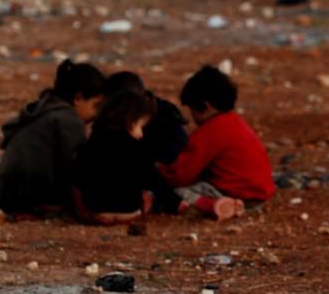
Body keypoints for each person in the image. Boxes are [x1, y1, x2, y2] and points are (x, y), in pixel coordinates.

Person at [158, 65, 274, 220]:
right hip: (258, 197)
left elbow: (179, 176)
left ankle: (212, 205)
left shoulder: (209, 131)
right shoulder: (236, 122)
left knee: (175, 194)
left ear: (205, 106)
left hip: (234, 193)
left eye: (192, 109)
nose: (192, 116)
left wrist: (158, 172)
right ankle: (229, 205)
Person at [0, 60, 104, 215]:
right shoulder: (68, 120)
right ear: (78, 98)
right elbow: (74, 171)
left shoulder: (47, 109)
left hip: (5, 196)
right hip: (20, 202)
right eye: (96, 105)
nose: (97, 114)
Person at [72, 90, 178, 225]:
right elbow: (155, 181)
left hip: (96, 213)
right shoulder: (136, 148)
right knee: (148, 195)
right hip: (128, 213)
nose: (141, 134)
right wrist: (177, 203)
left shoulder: (92, 143)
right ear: (130, 121)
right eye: (140, 126)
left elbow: (78, 178)